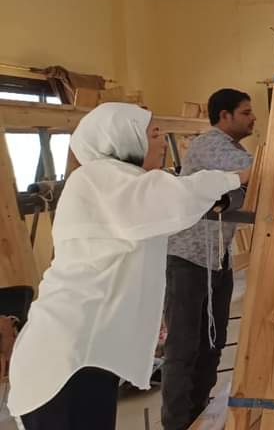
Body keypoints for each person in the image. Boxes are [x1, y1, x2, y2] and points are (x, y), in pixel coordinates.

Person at [8, 103, 247, 430]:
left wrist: (222, 191)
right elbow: (175, 196)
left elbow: (170, 197)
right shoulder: (98, 179)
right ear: (124, 140)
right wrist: (238, 177)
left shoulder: (118, 182)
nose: (162, 142)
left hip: (88, 351)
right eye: (153, 134)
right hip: (67, 355)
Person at [162, 89, 255, 430]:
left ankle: (197, 416)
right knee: (183, 348)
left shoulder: (233, 150)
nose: (253, 118)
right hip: (189, 259)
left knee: (213, 344)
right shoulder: (210, 145)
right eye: (245, 112)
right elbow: (260, 171)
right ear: (224, 116)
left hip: (216, 259)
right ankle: (177, 424)